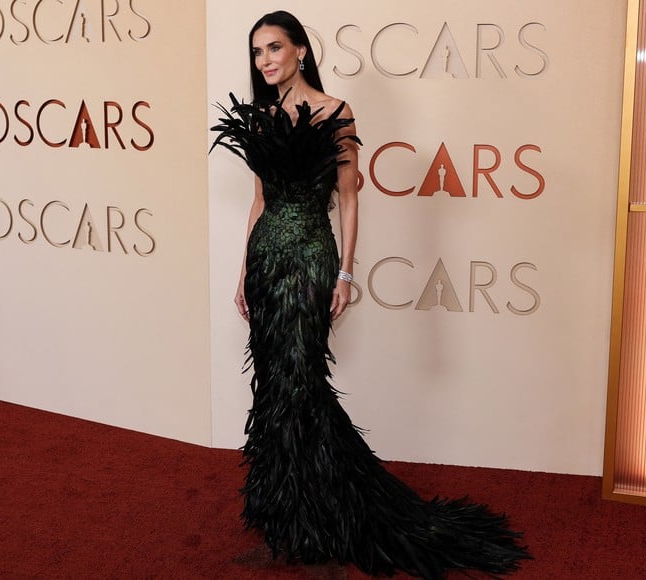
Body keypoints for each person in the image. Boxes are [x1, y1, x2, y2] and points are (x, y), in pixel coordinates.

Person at [211, 10, 531, 579]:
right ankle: (288, 518)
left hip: (311, 256)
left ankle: (329, 514)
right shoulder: (260, 118)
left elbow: (350, 196)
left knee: (302, 382)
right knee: (275, 386)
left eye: (275, 48)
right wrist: (242, 272)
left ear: (301, 50)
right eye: (257, 52)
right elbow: (260, 201)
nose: (265, 61)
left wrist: (346, 273)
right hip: (265, 261)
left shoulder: (336, 111)